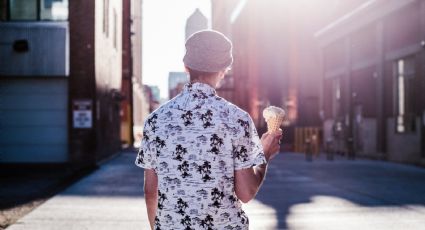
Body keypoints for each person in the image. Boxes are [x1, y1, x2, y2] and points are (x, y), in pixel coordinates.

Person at [135, 30, 282, 230]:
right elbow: (246, 193)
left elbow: (150, 191)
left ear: (186, 67)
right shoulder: (237, 119)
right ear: (224, 69)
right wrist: (263, 155)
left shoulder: (155, 120)